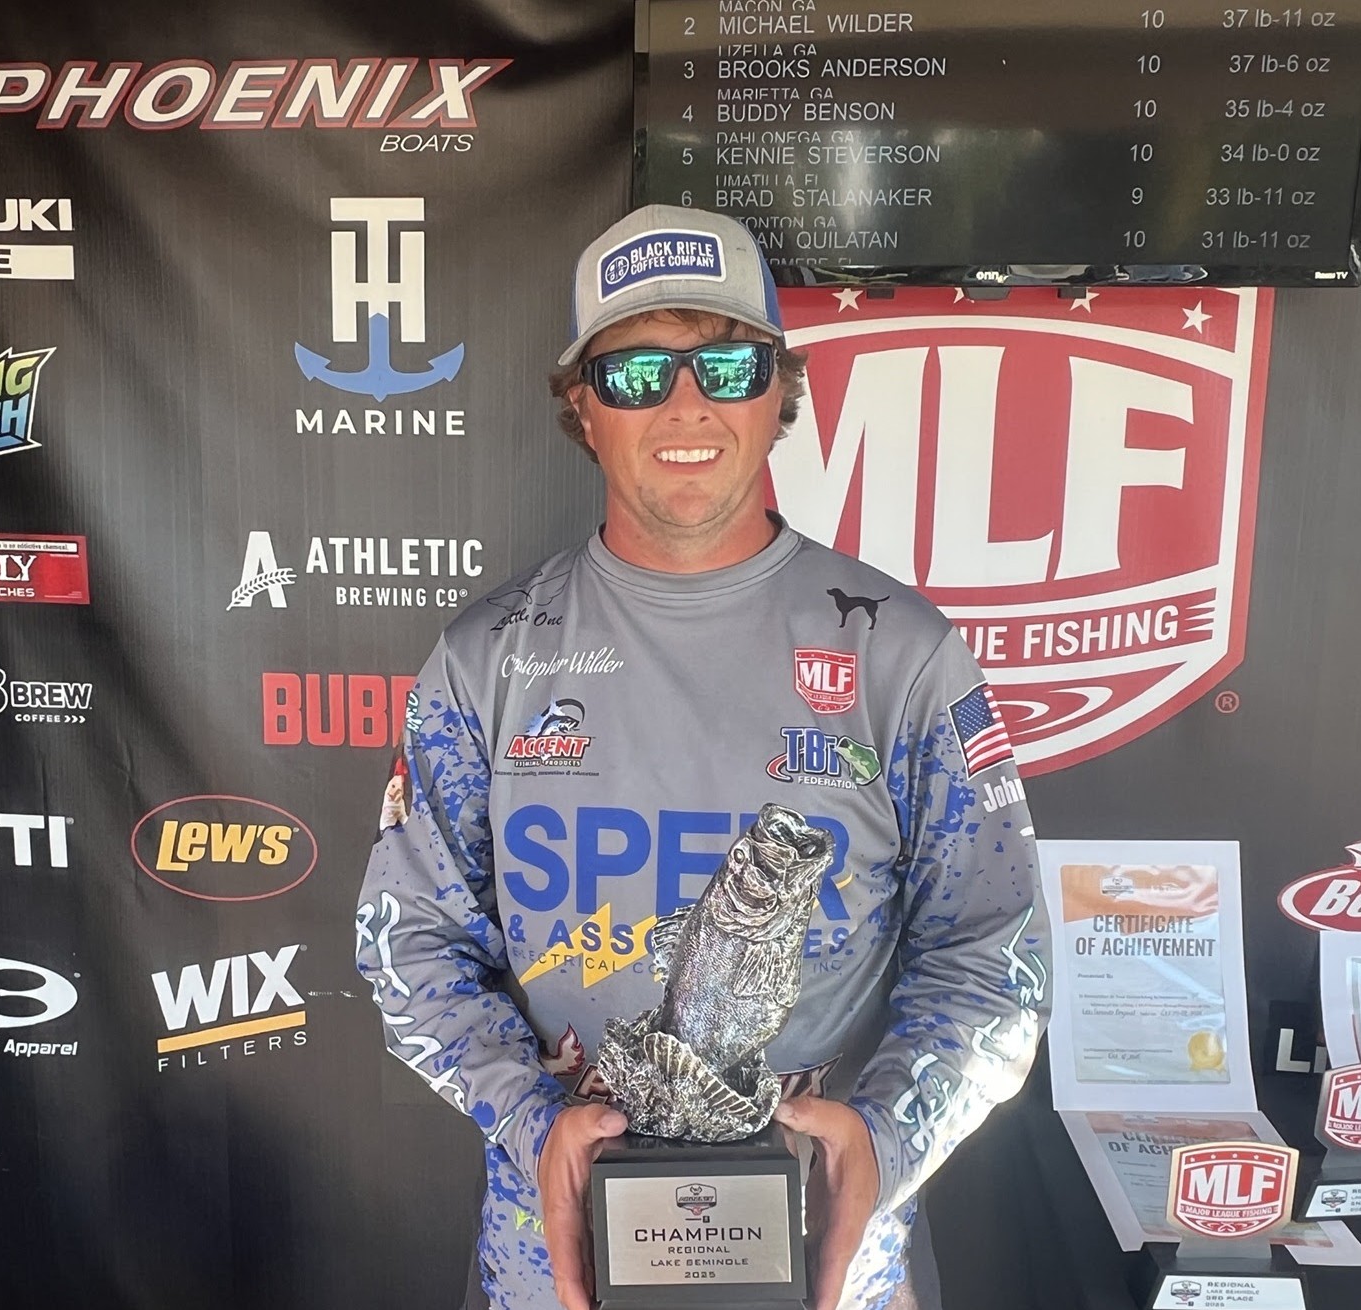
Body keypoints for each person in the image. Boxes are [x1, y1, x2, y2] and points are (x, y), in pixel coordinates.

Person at [354, 205, 1050, 1310]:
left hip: (823, 1269)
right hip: (556, 1273)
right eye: (636, 372)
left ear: (779, 394)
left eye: (727, 365)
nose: (687, 405)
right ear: (582, 407)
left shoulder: (900, 654)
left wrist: (888, 1134)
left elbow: (992, 953)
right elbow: (412, 941)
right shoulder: (489, 657)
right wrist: (533, 1123)